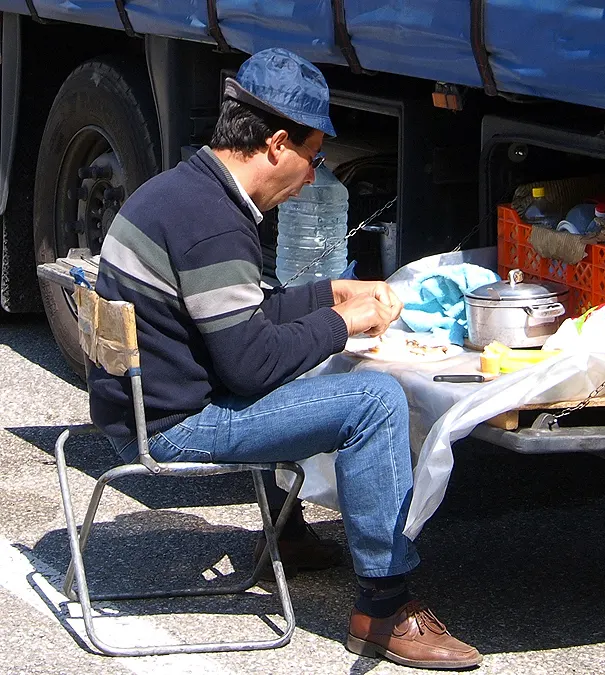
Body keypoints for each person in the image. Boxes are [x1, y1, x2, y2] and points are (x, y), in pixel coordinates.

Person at [88, 48, 481, 670]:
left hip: (139, 399)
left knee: (319, 358)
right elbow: (249, 366)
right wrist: (341, 321)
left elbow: (236, 319)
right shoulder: (212, 222)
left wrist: (324, 295)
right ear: (276, 144)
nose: (310, 177)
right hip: (172, 423)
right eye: (313, 158)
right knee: (374, 399)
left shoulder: (184, 190)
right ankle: (384, 609)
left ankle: (289, 536)